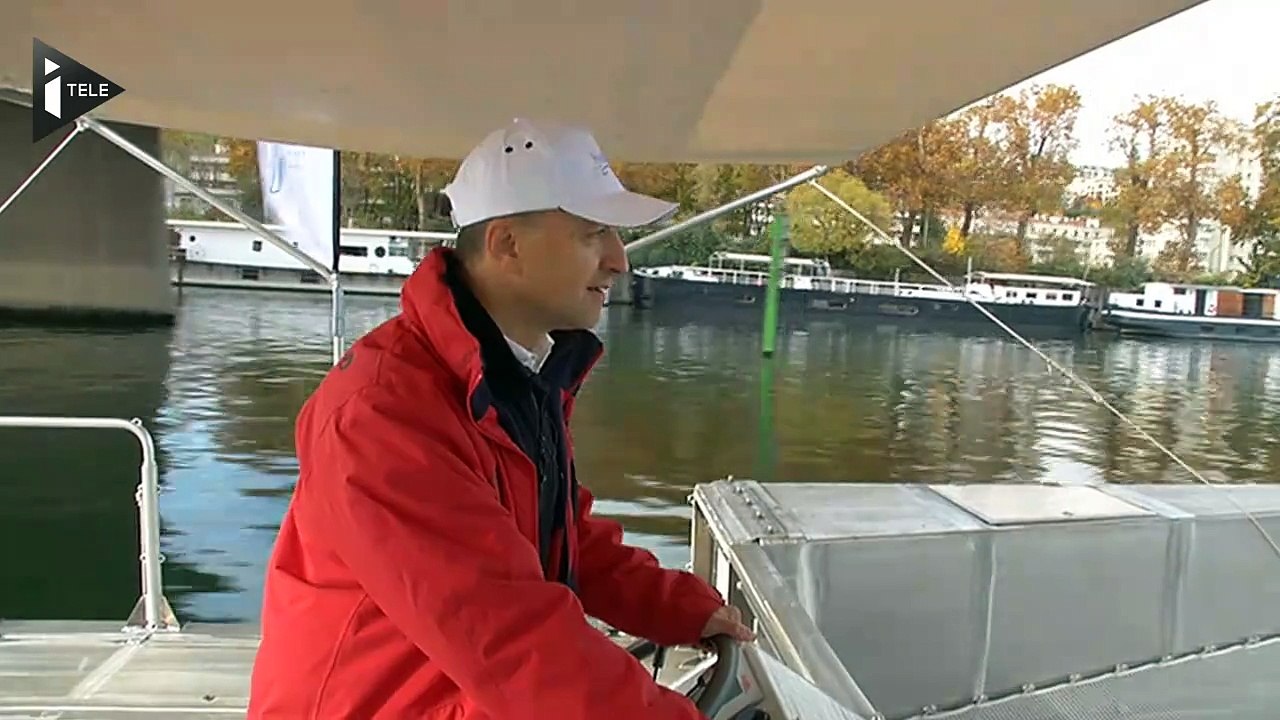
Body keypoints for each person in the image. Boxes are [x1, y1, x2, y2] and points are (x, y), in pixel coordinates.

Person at [246, 118, 754, 720]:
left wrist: (676, 606)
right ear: (508, 245)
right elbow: (506, 637)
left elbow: (555, 531)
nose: (619, 260)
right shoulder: (383, 415)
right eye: (595, 233)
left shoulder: (510, 373)